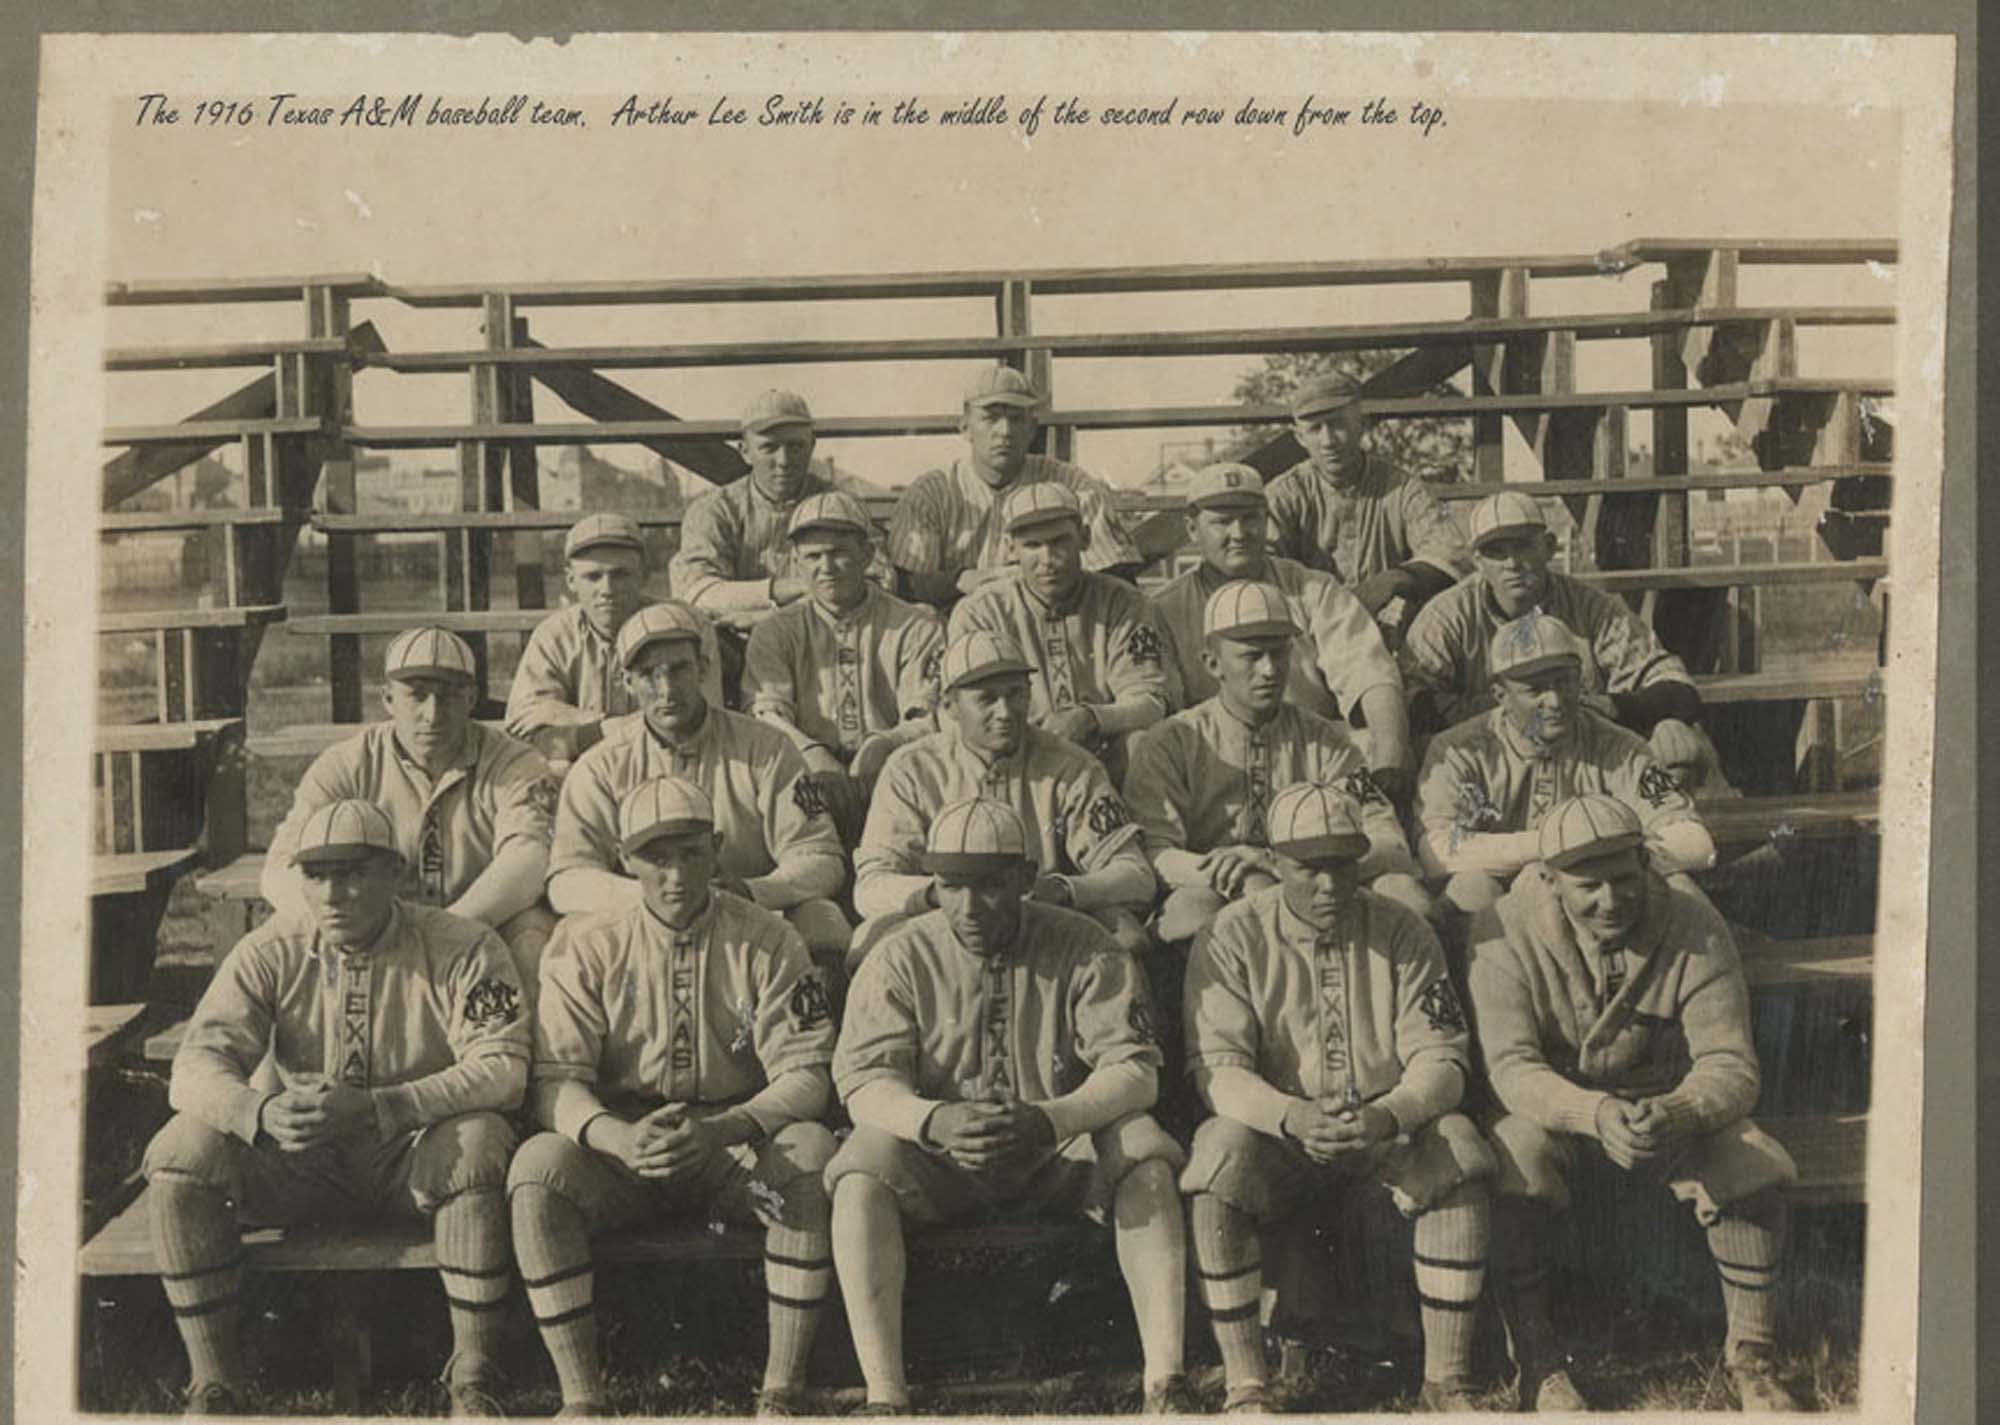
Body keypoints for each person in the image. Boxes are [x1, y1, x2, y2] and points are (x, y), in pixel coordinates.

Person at [143, 800, 529, 1417]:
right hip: (303, 1157)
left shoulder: (462, 944)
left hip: (412, 1156)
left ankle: (474, 1376)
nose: (333, 893)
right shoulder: (272, 947)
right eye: (316, 875)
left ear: (396, 874)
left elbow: (504, 1069)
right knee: (180, 1151)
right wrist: (258, 1111)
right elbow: (193, 1066)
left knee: (479, 1141)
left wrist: (386, 1105)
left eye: (353, 873)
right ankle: (215, 1383)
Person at [825, 798, 1192, 1415]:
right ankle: (886, 1394)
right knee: (860, 1168)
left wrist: (1053, 1118)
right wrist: (933, 1119)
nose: (968, 906)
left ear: (1026, 879)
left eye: (989, 886)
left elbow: (1135, 1070)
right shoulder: (901, 950)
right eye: (951, 886)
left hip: (1055, 1147)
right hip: (942, 1151)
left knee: (1143, 1151)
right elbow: (861, 1081)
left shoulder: (1085, 943)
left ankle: (1166, 1382)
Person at [508, 777, 840, 1419]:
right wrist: (616, 1137)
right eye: (654, 857)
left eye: (690, 852)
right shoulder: (587, 939)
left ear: (717, 848)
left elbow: (808, 1078)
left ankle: (781, 1390)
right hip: (626, 1150)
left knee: (810, 1153)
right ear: (624, 860)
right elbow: (553, 1083)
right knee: (537, 1170)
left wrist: (724, 1129)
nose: (675, 873)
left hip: (733, 1149)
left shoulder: (767, 935)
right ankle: (582, 1398)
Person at [1467, 795, 1803, 1412]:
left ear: (1647, 864)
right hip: (1563, 1115)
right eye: (1586, 885)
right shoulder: (1501, 931)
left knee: (1750, 1156)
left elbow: (1730, 1062)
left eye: (1624, 879)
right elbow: (1512, 1068)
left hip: (1667, 1111)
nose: (1610, 900)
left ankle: (1753, 1356)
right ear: (1548, 880)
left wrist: (1679, 1111)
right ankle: (1539, 1360)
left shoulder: (1693, 922)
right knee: (1515, 1154)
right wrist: (1590, 1113)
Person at [1181, 784, 1494, 1415]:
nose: (1329, 885)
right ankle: (1247, 1384)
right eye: (1308, 867)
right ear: (1273, 861)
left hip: (1382, 1128)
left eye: (1342, 865)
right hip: (1283, 1137)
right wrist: (1290, 1116)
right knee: (1218, 1151)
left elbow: (1443, 1060)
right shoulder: (1230, 933)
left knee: (1457, 1143)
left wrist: (1389, 1114)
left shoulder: (1401, 927)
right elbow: (1215, 1070)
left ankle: (1447, 1379)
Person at [1125, 580, 1434, 951]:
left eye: (1279, 653)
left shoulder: (1325, 740)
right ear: (1212, 663)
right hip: (1217, 889)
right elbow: (1155, 853)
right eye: (1252, 656)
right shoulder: (1171, 740)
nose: (1270, 670)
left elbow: (1389, 844)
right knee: (1190, 914)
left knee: (1405, 895)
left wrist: (1284, 866)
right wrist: (1237, 873)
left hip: (1322, 886)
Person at [546, 600, 853, 971]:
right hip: (641, 924)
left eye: (679, 670)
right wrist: (658, 898)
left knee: (823, 919)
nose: (667, 689)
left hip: (751, 915)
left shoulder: (767, 747)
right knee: (570, 938)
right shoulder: (602, 764)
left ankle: (804, 1029)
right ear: (627, 682)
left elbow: (820, 857)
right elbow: (567, 878)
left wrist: (753, 891)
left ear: (704, 669)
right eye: (648, 674)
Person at [265, 625, 560, 997]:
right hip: (371, 924)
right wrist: (356, 926)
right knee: (285, 937)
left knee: (535, 940)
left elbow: (528, 859)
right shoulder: (345, 764)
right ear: (387, 699)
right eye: (417, 696)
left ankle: (523, 1054)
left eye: (449, 696)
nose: (432, 714)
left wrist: (448, 930)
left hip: (483, 920)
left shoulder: (514, 760)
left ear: (471, 699)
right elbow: (281, 867)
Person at [850, 629, 1156, 969]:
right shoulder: (912, 768)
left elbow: (1135, 874)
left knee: (1127, 937)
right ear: (950, 705)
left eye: (1015, 694)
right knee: (871, 945)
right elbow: (871, 887)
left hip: (1044, 916)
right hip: (949, 917)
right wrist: (946, 894)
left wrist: (1063, 889)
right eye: (987, 698)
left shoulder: (1071, 765)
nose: (1006, 711)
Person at [1414, 613, 1716, 919]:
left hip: (1596, 893)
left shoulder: (1619, 746)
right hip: (1502, 894)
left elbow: (1693, 840)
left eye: (1565, 683)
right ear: (1500, 695)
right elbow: (1437, 850)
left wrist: (1596, 860)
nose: (1555, 701)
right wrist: (1564, 846)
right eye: (1536, 690)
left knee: (1676, 888)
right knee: (1471, 888)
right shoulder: (1460, 750)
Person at [1153, 461, 1415, 802]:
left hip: (1310, 748)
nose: (1239, 533)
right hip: (1214, 757)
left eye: (1250, 518)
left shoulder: (1312, 589)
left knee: (1378, 750)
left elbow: (1369, 674)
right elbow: (1162, 707)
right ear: (1192, 528)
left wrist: (1391, 754)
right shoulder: (1165, 607)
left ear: (1267, 520)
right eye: (1221, 521)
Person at [1401, 490, 1701, 738]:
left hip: (1581, 755)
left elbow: (1678, 689)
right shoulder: (1448, 615)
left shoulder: (1592, 607)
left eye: (1522, 547)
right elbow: (1413, 701)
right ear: (1477, 560)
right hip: (1486, 758)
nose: (1512, 563)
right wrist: (1516, 712)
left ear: (1549, 547)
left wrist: (1609, 705)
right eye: (1496, 552)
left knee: (1677, 741)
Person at [743, 490, 946, 844]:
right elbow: (766, 714)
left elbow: (928, 716)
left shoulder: (915, 624)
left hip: (893, 769)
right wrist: (811, 752)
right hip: (806, 773)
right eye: (813, 556)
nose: (826, 567)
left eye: (839, 553)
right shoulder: (776, 630)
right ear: (795, 561)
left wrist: (884, 744)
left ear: (866, 554)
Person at [947, 482, 1172, 772]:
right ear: (1010, 548)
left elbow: (1151, 701)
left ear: (1085, 538)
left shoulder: (1123, 602)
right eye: (1033, 545)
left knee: (1139, 743)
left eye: (1060, 542)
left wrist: (1091, 717)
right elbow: (965, 712)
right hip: (1015, 756)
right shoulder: (981, 611)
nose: (1048, 560)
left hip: (1099, 751)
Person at [886, 365, 1142, 611]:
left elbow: (1117, 578)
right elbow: (903, 586)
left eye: (1016, 419)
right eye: (991, 417)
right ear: (965, 428)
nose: (1005, 431)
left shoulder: (1073, 485)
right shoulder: (932, 492)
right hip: (959, 635)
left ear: (1032, 429)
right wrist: (960, 579)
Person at [506, 513, 725, 772]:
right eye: (593, 576)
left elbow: (702, 716)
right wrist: (608, 724)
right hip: (590, 766)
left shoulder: (686, 623)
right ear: (571, 581)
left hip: (675, 761)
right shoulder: (554, 633)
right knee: (554, 765)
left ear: (644, 575)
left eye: (620, 574)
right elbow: (524, 722)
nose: (607, 589)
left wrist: (589, 725)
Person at [1262, 372, 1470, 633]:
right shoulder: (1285, 493)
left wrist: (1394, 579)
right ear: (1300, 438)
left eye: (1338, 424)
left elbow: (1450, 552)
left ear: (1363, 423)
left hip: (1385, 630)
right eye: (1315, 429)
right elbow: (1260, 562)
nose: (1328, 441)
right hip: (1306, 633)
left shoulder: (1402, 488)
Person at [668, 388, 892, 623]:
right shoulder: (715, 509)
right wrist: (795, 588)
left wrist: (769, 618)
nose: (784, 461)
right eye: (769, 448)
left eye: (795, 447)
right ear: (745, 451)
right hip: (732, 643)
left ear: (812, 446)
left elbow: (879, 582)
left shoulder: (841, 504)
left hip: (819, 637)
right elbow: (696, 593)